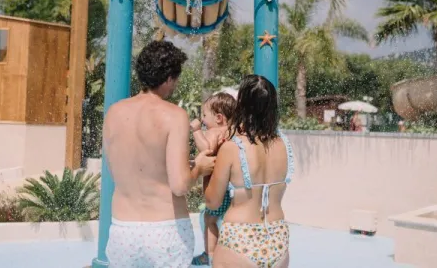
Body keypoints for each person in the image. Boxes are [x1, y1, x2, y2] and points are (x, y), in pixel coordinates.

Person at [103, 40, 216, 267]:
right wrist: (200, 168)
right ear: (168, 78)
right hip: (166, 229)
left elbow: (122, 171)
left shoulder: (113, 113)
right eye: (175, 79)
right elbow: (180, 185)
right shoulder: (173, 115)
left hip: (123, 229)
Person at [205, 75, 294, 268]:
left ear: (242, 106)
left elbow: (212, 202)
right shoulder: (284, 144)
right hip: (277, 236)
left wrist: (208, 164)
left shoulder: (233, 148)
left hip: (240, 237)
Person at [190, 93, 237, 266]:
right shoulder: (233, 131)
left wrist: (196, 131)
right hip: (230, 188)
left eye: (204, 115)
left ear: (218, 118)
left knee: (209, 219)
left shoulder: (213, 131)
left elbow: (207, 149)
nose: (202, 120)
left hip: (217, 191)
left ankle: (209, 255)